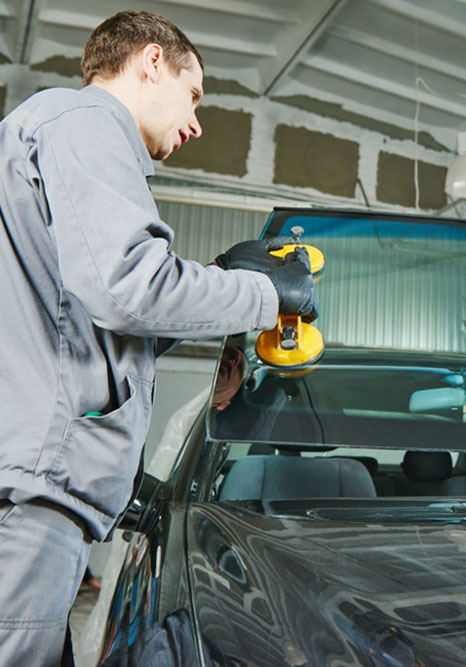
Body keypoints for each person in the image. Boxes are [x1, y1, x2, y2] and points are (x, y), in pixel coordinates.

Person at [0, 11, 315, 664]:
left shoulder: (52, 132)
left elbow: (92, 327)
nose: (195, 123)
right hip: (33, 499)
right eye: (193, 94)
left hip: (34, 491)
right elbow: (129, 288)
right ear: (150, 62)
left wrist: (220, 273)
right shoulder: (87, 122)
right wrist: (268, 294)